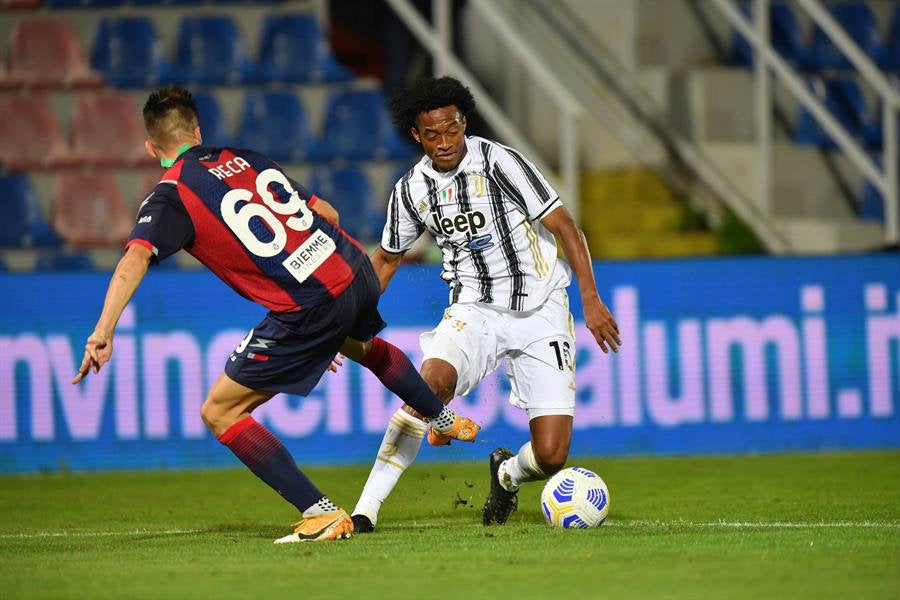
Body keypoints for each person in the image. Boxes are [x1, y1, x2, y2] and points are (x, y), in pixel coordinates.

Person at [70, 85, 479, 544]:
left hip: (309, 304)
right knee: (360, 346)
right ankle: (440, 416)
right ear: (197, 131)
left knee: (219, 411)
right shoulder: (248, 158)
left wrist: (103, 330)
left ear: (152, 148)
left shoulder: (171, 194)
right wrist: (328, 305)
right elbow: (327, 210)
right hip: (351, 266)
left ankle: (320, 512)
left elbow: (135, 258)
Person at [350, 77, 621, 532]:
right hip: (475, 310)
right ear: (416, 135)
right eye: (432, 134)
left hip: (543, 308)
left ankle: (507, 474)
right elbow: (386, 259)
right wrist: (347, 322)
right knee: (425, 388)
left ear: (463, 122)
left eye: (452, 129)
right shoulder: (411, 189)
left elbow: (566, 227)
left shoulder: (501, 162)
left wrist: (589, 298)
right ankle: (364, 512)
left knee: (552, 454)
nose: (444, 142)